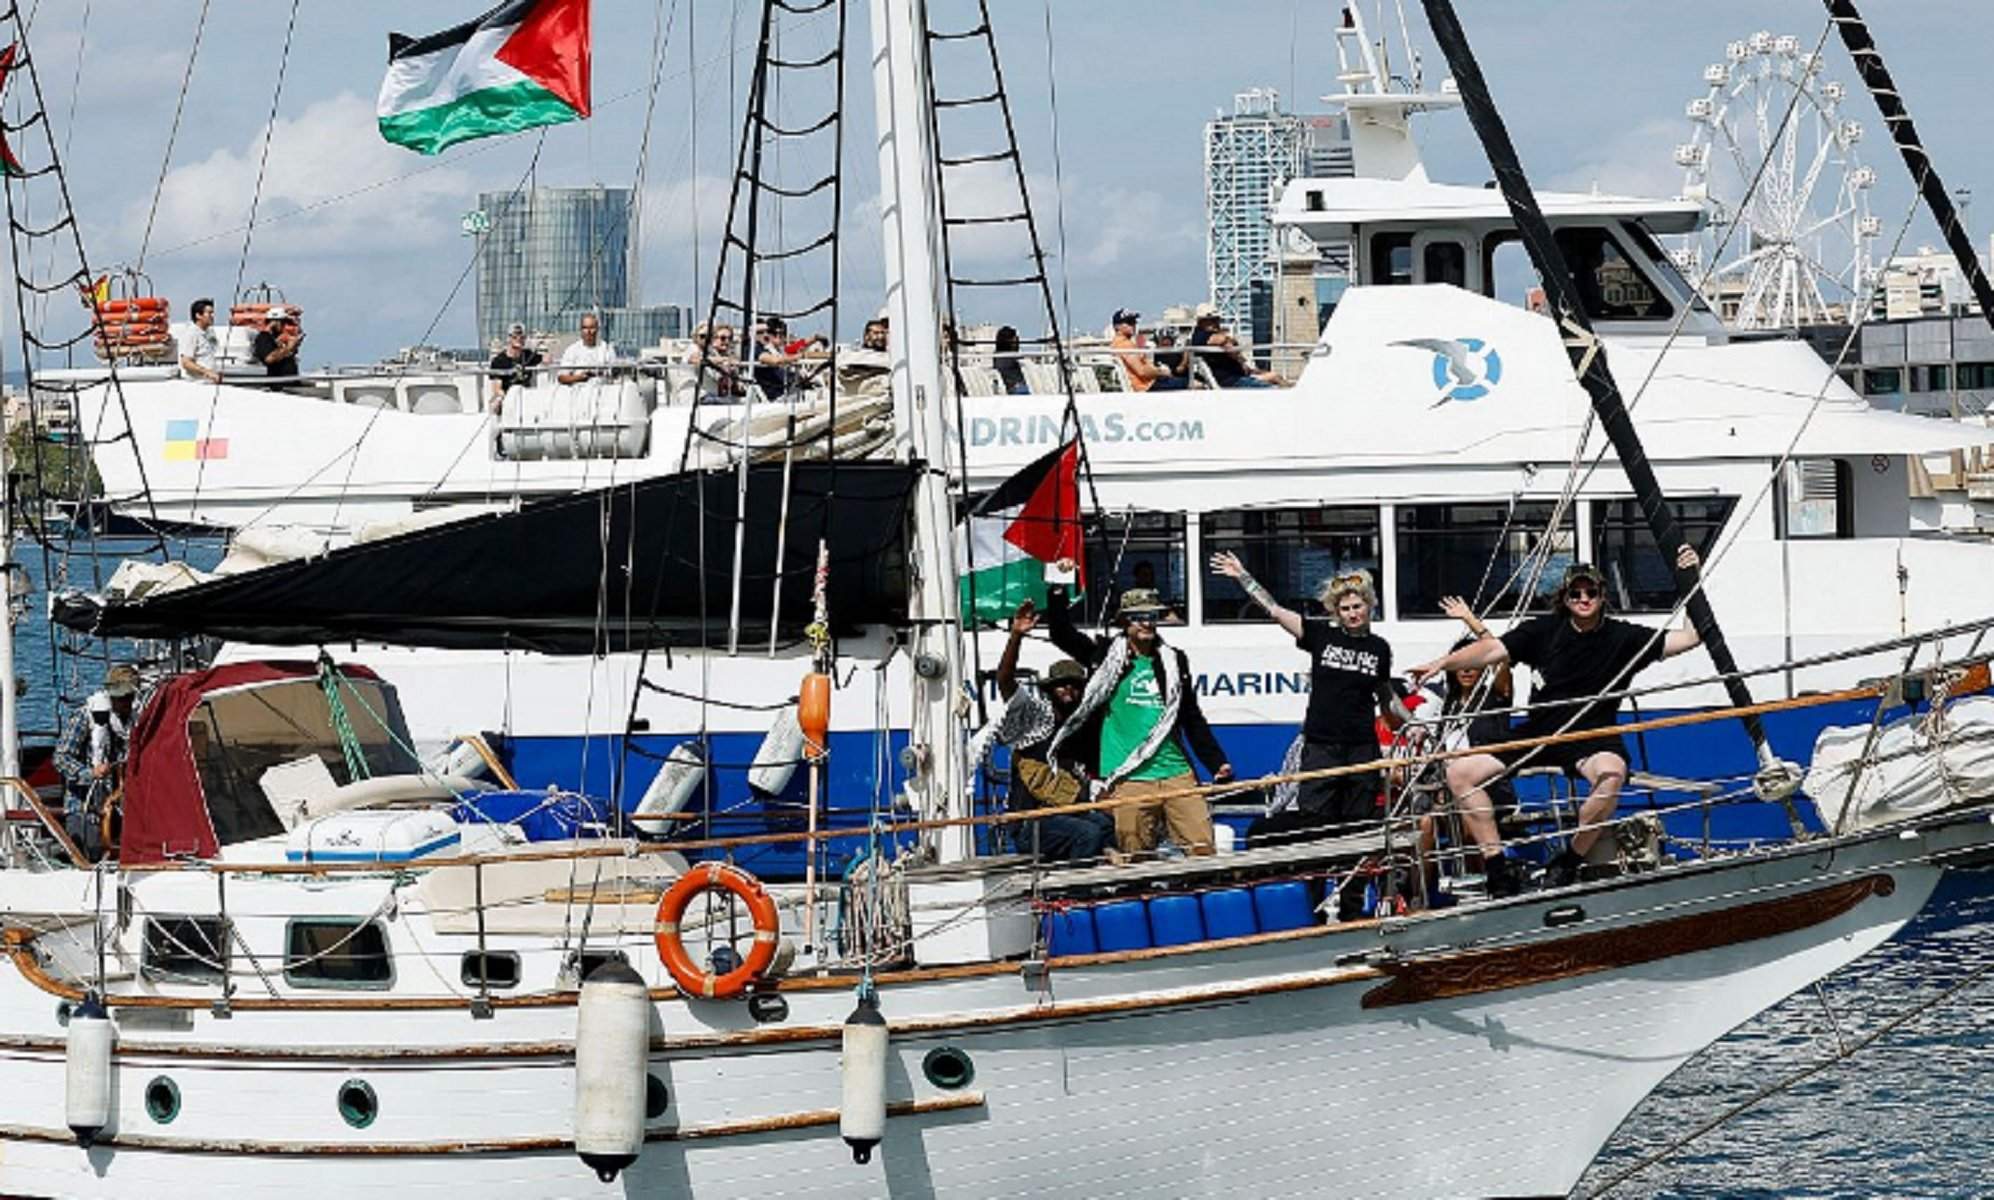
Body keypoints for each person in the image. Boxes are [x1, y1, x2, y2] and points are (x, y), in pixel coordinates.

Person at [1410, 550, 1704, 896]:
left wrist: (1691, 579)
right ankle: (1496, 866)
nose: (1583, 599)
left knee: (1611, 776)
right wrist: (1442, 663)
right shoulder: (1543, 630)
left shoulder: (1624, 637)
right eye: (1575, 593)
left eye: (1590, 593)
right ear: (1564, 598)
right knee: (1459, 774)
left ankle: (1569, 861)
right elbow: (1491, 651)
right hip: (1539, 733)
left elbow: (1690, 637)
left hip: (1593, 736)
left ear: (1602, 596)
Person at [1212, 553, 1405, 837]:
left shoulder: (1380, 648)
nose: (1352, 613)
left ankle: (1352, 880)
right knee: (1314, 819)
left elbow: (1385, 694)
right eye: (1345, 608)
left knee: (1359, 822)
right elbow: (1275, 610)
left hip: (1361, 747)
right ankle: (1316, 882)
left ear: (1369, 606)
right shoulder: (1321, 635)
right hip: (1321, 746)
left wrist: (1412, 724)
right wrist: (1243, 576)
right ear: (1336, 612)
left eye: (1357, 606)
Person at [1044, 572, 1232, 857]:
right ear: (1123, 622)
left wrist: (1216, 761)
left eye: (1152, 615)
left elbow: (1191, 716)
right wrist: (1058, 587)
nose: (1147, 622)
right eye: (1138, 616)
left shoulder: (1173, 658)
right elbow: (1060, 632)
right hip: (1128, 777)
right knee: (1135, 858)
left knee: (1203, 850)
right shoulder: (1104, 654)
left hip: (1176, 773)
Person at [988, 601, 1115, 862]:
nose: (1068, 690)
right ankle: (1073, 893)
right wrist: (1016, 636)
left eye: (1075, 685)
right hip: (1030, 822)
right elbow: (1004, 680)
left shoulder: (1081, 728)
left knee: (1109, 826)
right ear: (1049, 690)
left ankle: (1100, 889)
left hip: (1068, 814)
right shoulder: (1033, 720)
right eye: (1061, 685)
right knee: (1088, 834)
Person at [55, 664, 139, 861]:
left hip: (117, 805)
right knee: (90, 856)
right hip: (84, 807)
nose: (125, 702)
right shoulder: (85, 717)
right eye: (120, 697)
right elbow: (61, 757)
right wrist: (89, 773)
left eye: (129, 697)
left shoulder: (133, 720)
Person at [1190, 306, 1283, 389]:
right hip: (1230, 381)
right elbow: (1222, 340)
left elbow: (1232, 343)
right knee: (1272, 389)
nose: (1216, 323)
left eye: (1217, 320)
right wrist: (1228, 341)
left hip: (1238, 376)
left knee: (1275, 377)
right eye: (1212, 320)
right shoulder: (1200, 336)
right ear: (1201, 322)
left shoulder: (1209, 334)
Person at [1109, 309, 1185, 393]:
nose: (1133, 325)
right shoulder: (1124, 345)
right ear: (1117, 326)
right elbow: (1142, 371)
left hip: (1148, 383)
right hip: (1146, 386)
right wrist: (1161, 371)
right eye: (1129, 322)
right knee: (1193, 383)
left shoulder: (1121, 343)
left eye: (1134, 322)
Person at [752, 317, 825, 399]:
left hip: (791, 388)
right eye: (777, 334)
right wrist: (800, 356)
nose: (782, 337)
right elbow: (776, 360)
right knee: (822, 393)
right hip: (782, 394)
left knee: (819, 386)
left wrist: (815, 338)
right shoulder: (762, 351)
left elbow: (799, 345)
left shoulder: (778, 350)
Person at [488, 322, 543, 412]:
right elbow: (497, 388)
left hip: (527, 399)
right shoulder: (498, 361)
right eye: (515, 337)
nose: (519, 340)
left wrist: (541, 344)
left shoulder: (529, 355)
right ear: (509, 339)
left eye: (522, 338)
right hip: (509, 401)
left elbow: (546, 359)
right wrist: (501, 398)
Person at [177, 297, 221, 383]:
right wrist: (207, 372)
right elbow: (186, 362)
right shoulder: (191, 334)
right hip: (196, 384)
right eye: (209, 313)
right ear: (198, 315)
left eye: (213, 313)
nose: (212, 316)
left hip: (208, 383)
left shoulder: (208, 333)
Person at [252, 306, 302, 378]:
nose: (284, 325)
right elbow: (269, 359)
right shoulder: (263, 338)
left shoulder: (275, 338)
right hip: (279, 385)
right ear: (275, 322)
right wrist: (288, 348)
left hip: (289, 382)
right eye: (283, 322)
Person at [993, 325, 1029, 396]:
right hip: (1016, 390)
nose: (1018, 344)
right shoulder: (1006, 359)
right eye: (1015, 341)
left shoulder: (999, 357)